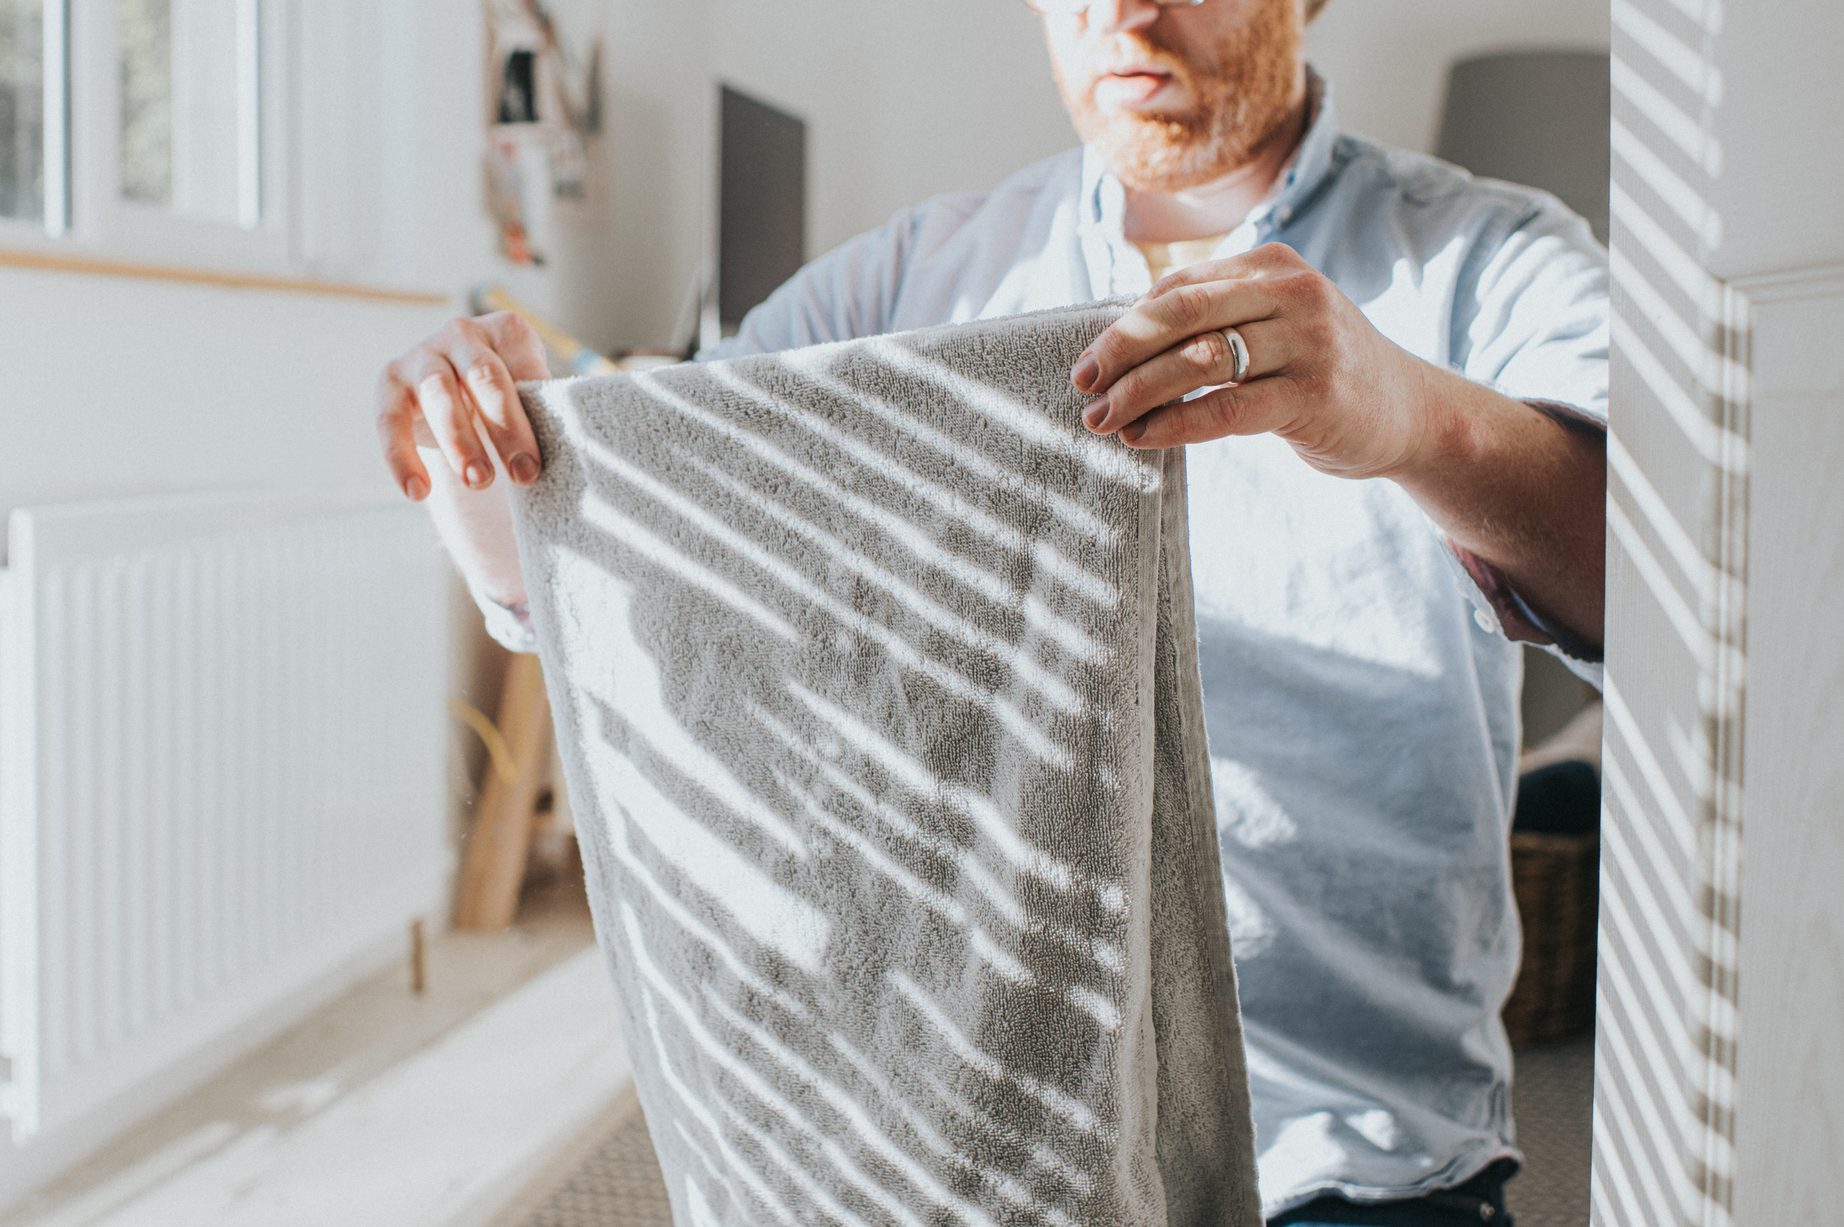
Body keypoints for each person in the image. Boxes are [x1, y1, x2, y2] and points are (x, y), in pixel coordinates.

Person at [375, 0, 1606, 1220]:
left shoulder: (1487, 258)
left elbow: (1655, 587)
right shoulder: (909, 280)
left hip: (1346, 1147)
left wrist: (1404, 413)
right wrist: (486, 463)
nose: (1122, 9)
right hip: (974, 1129)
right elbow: (653, 549)